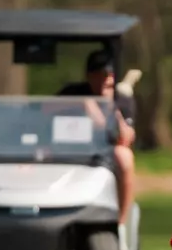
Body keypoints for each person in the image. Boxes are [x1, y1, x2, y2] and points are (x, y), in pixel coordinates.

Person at [58, 48, 137, 239]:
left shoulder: (122, 99)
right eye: (98, 74)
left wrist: (108, 107)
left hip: (104, 155)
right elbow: (43, 110)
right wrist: (81, 104)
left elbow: (125, 138)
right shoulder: (73, 92)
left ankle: (121, 224)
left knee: (124, 157)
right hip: (71, 152)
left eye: (108, 75)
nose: (103, 79)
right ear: (89, 76)